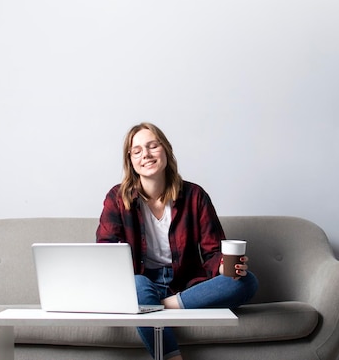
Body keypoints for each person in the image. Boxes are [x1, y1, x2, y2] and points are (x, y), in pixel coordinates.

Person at [97, 122, 258, 360]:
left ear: (166, 150)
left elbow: (214, 251)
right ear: (130, 160)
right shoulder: (117, 199)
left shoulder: (195, 196)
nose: (146, 155)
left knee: (247, 282)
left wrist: (225, 267)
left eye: (153, 146)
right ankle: (172, 356)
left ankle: (157, 306)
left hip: (186, 286)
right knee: (137, 285)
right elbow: (106, 254)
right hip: (141, 284)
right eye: (138, 150)